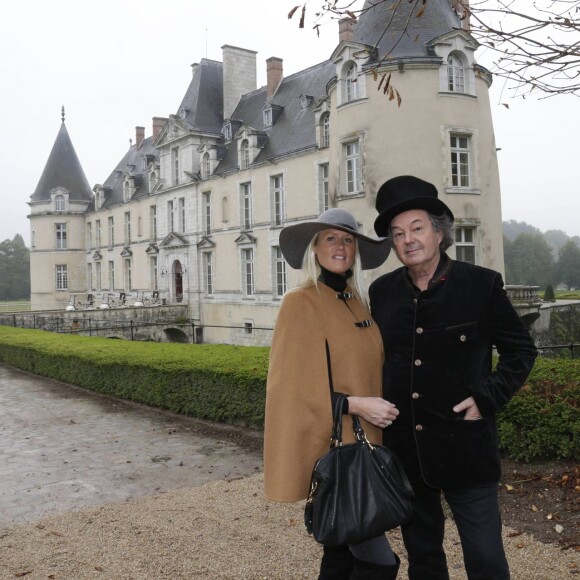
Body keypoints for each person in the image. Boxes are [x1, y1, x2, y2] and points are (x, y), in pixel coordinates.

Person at [369, 176, 538, 580]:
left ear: (439, 232)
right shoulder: (382, 292)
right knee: (424, 561)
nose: (408, 240)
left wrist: (488, 396)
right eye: (397, 234)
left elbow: (521, 350)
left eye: (417, 228)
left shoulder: (480, 285)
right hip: (407, 452)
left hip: (467, 449)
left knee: (486, 559)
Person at [264, 208, 400, 580]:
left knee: (340, 553)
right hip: (337, 450)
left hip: (366, 446)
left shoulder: (356, 300)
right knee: (379, 563)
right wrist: (356, 404)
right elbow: (290, 386)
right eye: (331, 238)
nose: (340, 246)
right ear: (315, 248)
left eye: (348, 239)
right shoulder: (301, 301)